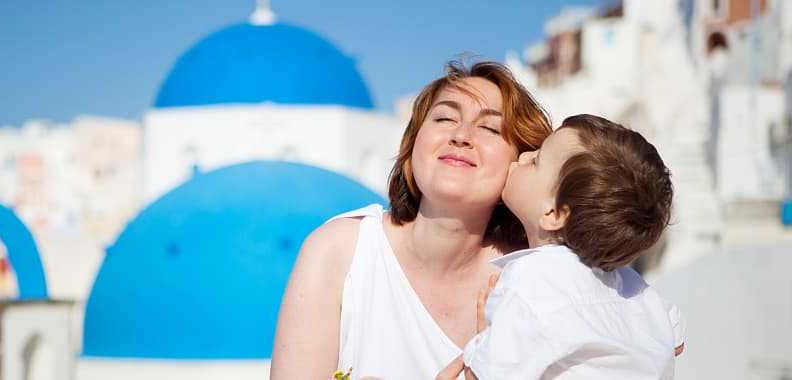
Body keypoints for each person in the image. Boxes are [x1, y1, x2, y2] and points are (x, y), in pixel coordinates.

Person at [269, 61, 552, 379]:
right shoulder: (340, 251)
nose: (460, 136)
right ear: (413, 144)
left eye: (489, 128)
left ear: (522, 164)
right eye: (445, 118)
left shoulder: (530, 278)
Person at [454, 114, 684, 379]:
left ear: (554, 214)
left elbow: (488, 375)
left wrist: (485, 340)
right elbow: (676, 338)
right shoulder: (634, 286)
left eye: (537, 160)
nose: (525, 155)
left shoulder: (532, 279)